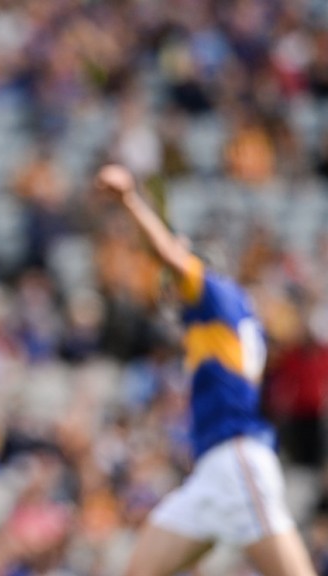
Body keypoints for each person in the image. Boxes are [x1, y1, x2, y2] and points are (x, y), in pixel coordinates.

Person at [94, 164, 315, 576]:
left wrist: (129, 199)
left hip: (237, 458)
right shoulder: (225, 316)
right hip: (211, 472)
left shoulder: (214, 293)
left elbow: (168, 255)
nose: (171, 294)